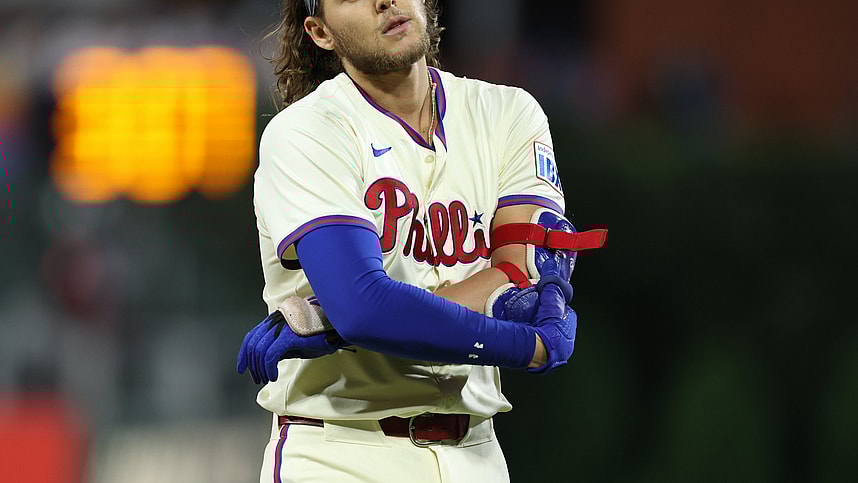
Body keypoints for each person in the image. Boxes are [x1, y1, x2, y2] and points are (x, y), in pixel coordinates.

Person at [238, 1, 605, 481]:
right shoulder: (308, 131)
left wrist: (338, 324)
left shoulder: (508, 113)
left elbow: (525, 278)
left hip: (478, 452)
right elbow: (366, 308)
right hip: (340, 450)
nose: (384, 0)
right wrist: (520, 340)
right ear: (320, 31)